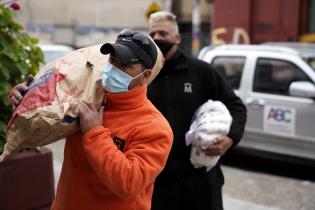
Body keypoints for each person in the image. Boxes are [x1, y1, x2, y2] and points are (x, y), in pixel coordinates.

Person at [10, 29, 173, 210]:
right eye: (112, 60)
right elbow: (45, 118)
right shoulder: (88, 96)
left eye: (125, 65)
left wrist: (94, 133)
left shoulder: (154, 127)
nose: (114, 68)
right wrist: (25, 97)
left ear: (145, 75)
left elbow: (129, 183)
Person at [147, 11, 247, 210]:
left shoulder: (201, 71)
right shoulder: (144, 75)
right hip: (159, 183)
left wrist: (230, 139)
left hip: (201, 180)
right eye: (153, 34)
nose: (157, 38)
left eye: (163, 34)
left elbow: (236, 106)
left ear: (177, 38)